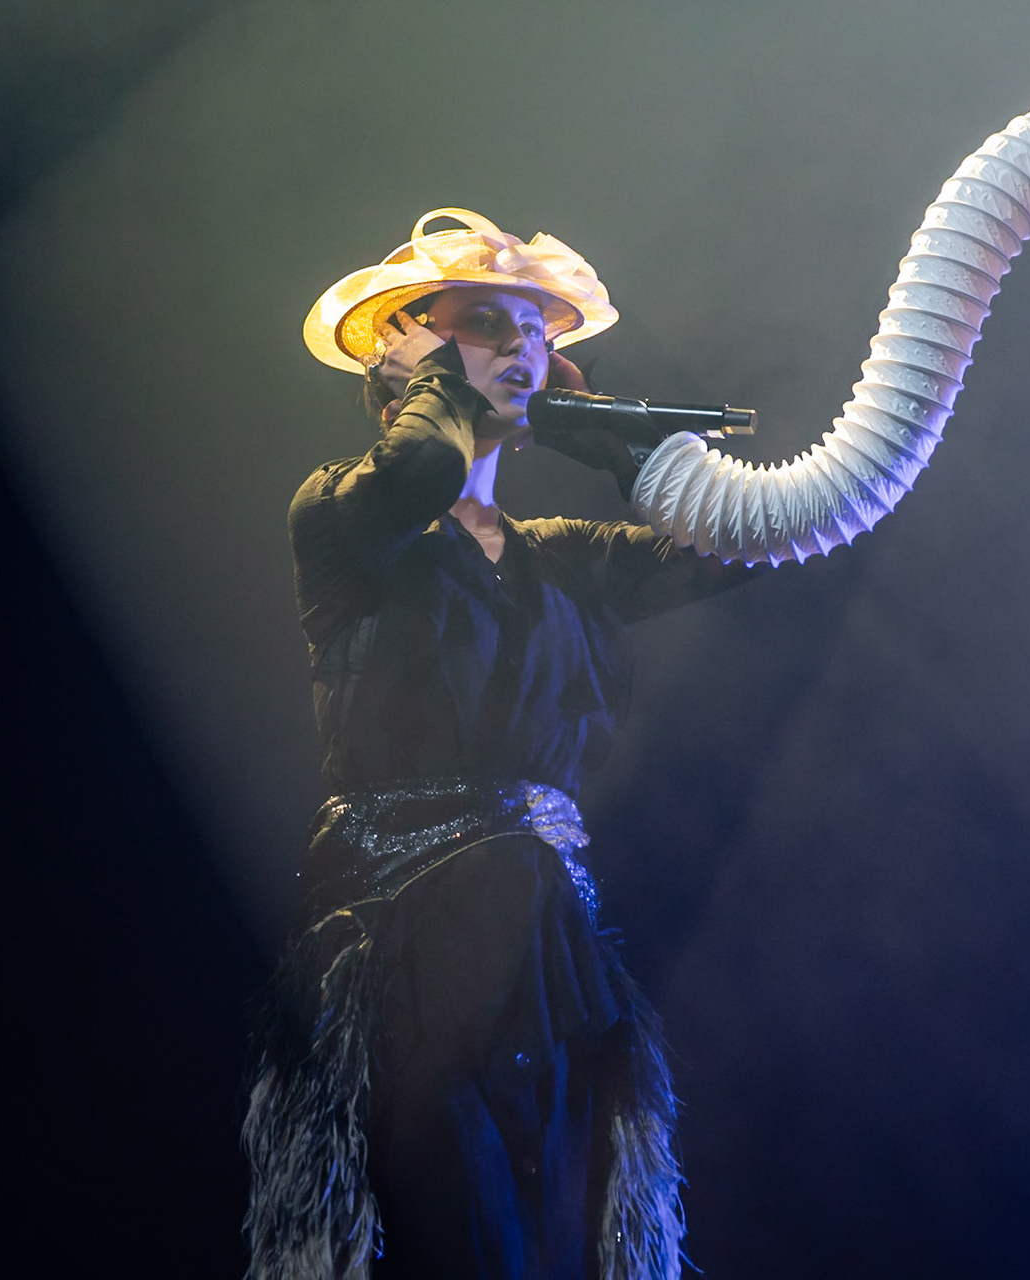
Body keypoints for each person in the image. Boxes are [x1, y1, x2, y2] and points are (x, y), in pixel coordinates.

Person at [244, 209, 756, 1280]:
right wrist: (433, 386)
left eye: (536, 331)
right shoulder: (342, 515)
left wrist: (610, 438)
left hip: (548, 952)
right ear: (406, 353)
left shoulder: (558, 556)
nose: (522, 347)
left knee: (561, 1236)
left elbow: (743, 546)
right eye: (485, 323)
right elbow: (419, 474)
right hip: (406, 945)